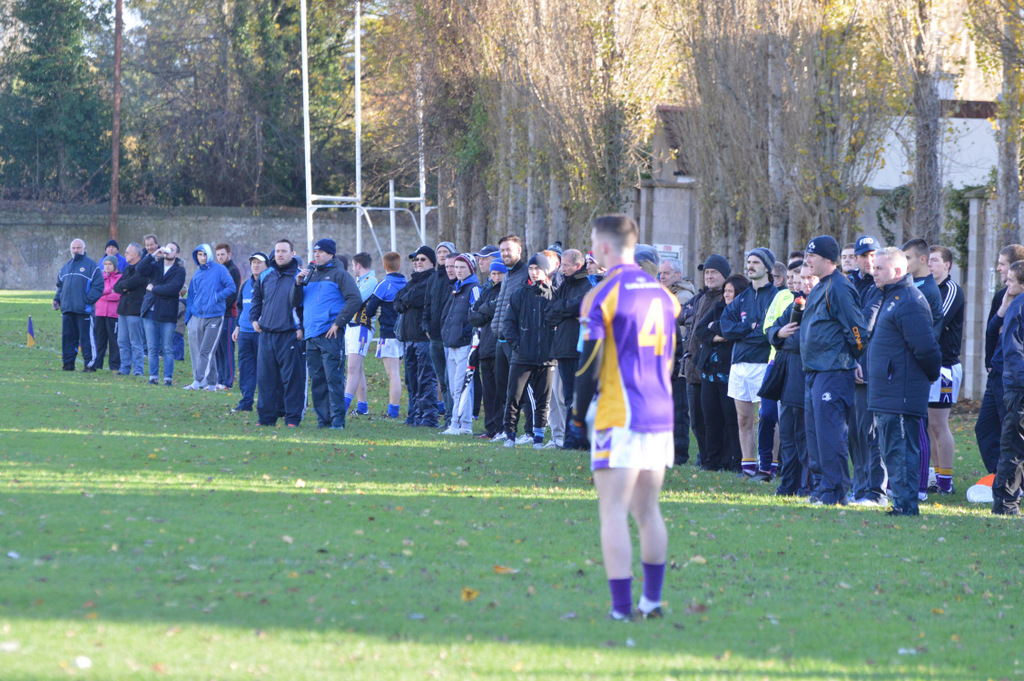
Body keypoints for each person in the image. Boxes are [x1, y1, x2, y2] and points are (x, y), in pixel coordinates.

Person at [572, 214, 680, 621]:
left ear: (603, 246)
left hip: (620, 410)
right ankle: (651, 601)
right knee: (648, 510)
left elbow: (589, 364)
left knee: (613, 509)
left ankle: (621, 609)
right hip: (660, 410)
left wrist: (579, 416)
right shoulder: (665, 295)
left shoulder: (602, 294)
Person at [868, 247, 941, 516]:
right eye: (873, 267)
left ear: (898, 271)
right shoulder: (891, 298)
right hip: (888, 392)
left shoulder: (909, 300)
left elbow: (927, 349)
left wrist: (927, 377)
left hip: (901, 393)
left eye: (879, 268)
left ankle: (906, 506)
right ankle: (901, 502)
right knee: (892, 452)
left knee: (901, 452)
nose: (873, 272)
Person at [800, 235, 866, 506]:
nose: (807, 260)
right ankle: (820, 488)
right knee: (815, 435)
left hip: (833, 372)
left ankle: (835, 492)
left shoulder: (839, 287)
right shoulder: (819, 286)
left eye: (812, 256)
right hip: (814, 372)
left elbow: (857, 331)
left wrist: (851, 357)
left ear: (829, 260)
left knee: (830, 434)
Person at [720, 248, 778, 477]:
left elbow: (767, 332)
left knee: (767, 419)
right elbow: (725, 326)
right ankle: (748, 466)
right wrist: (748, 328)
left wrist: (745, 332)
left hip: (763, 363)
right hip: (739, 364)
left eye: (756, 262)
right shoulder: (742, 296)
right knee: (743, 418)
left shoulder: (776, 295)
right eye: (749, 262)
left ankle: (770, 466)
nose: (750, 265)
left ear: (767, 268)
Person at [295, 238, 363, 429]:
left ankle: (337, 421)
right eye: (315, 252)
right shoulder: (310, 275)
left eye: (321, 252)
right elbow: (295, 302)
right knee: (317, 380)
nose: (316, 255)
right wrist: (298, 284)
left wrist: (338, 323)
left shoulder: (340, 275)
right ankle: (322, 420)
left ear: (331, 255)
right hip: (311, 335)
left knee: (333, 379)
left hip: (329, 335)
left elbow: (355, 299)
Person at [767, 261, 814, 496]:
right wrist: (778, 333)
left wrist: (786, 339)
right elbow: (773, 329)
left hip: (809, 380)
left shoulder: (824, 301)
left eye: (809, 277)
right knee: (787, 435)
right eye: (801, 278)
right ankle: (788, 484)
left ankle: (806, 486)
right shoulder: (798, 302)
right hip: (789, 379)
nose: (804, 283)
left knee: (805, 439)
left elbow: (805, 342)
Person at [976, 244, 1024, 473]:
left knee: (1012, 432)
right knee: (985, 428)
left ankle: (1013, 481)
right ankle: (999, 477)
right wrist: (988, 363)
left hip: (1013, 378)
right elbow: (991, 330)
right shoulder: (1002, 297)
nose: (998, 269)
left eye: (1002, 264)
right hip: (995, 372)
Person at [902, 238, 943, 501]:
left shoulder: (927, 290)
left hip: (916, 368)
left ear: (923, 260)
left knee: (918, 426)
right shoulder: (910, 285)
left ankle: (920, 486)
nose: (903, 263)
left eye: (907, 258)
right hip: (904, 367)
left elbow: (924, 337)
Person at [503, 252, 557, 449]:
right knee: (514, 397)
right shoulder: (519, 294)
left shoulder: (554, 294)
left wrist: (553, 347)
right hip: (522, 356)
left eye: (538, 269)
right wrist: (517, 345)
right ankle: (510, 435)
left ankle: (538, 438)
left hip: (547, 358)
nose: (534, 273)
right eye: (532, 269)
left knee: (543, 400)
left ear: (546, 271)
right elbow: (508, 323)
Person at [848, 235, 887, 506]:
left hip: (868, 367)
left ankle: (876, 491)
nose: (868, 260)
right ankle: (859, 487)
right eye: (864, 255)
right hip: (849, 366)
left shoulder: (878, 286)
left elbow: (864, 325)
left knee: (871, 432)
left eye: (873, 255)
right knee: (855, 432)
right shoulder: (851, 282)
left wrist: (855, 360)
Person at [251, 239, 305, 427]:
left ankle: (292, 419)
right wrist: (254, 319)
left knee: (291, 380)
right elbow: (256, 298)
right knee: (266, 379)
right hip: (266, 334)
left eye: (284, 251)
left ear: (292, 253)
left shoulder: (300, 276)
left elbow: (304, 306)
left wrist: (301, 328)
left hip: (288, 334)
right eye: (277, 251)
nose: (280, 254)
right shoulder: (266, 275)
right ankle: (266, 419)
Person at [682, 255, 730, 468]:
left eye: (714, 272)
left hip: (712, 368)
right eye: (706, 273)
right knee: (697, 422)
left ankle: (716, 459)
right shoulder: (701, 297)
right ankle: (704, 457)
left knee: (715, 420)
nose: (709, 276)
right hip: (692, 367)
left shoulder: (725, 299)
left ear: (724, 275)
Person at [695, 274, 746, 471]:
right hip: (709, 371)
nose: (726, 294)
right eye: (725, 291)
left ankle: (735, 461)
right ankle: (712, 461)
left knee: (732, 419)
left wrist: (717, 328)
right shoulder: (717, 308)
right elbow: (701, 330)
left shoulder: (744, 311)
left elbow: (735, 331)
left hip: (729, 372)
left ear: (739, 293)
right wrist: (718, 337)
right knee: (711, 418)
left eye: (730, 291)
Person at [926, 245, 964, 494]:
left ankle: (946, 483)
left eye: (936, 260)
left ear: (947, 265)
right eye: (928, 260)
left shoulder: (951, 290)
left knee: (940, 424)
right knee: (929, 424)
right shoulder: (927, 288)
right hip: (929, 364)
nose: (931, 264)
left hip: (946, 367)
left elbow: (934, 319)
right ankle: (936, 477)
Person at [546, 249, 592, 449]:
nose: (562, 269)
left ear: (577, 265)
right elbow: (549, 313)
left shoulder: (587, 284)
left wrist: (563, 309)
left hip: (580, 349)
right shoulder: (564, 285)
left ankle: (581, 441)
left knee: (579, 397)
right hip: (563, 348)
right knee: (567, 397)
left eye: (565, 265)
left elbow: (581, 306)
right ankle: (570, 441)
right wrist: (566, 310)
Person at [490, 235, 531, 444]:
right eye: (503, 250)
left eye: (509, 249)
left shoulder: (525, 274)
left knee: (522, 390)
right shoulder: (507, 275)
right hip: (500, 339)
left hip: (515, 340)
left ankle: (530, 431)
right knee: (503, 388)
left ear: (519, 251)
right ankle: (508, 430)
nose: (505, 253)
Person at [394, 246, 440, 428]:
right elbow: (398, 301)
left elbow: (414, 298)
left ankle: (428, 417)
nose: (418, 263)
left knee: (425, 380)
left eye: (422, 259)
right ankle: (414, 415)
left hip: (423, 339)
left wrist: (406, 300)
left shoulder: (432, 280)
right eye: (415, 260)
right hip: (409, 339)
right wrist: (406, 299)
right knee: (411, 380)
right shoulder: (412, 282)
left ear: (431, 263)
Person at [993, 260, 1024, 515]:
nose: (1006, 284)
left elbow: (1013, 350)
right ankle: (1005, 503)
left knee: (1013, 446)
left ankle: (1007, 502)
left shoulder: (1018, 306)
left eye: (1011, 281)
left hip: (1018, 386)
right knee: (1014, 446)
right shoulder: (1016, 305)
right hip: (1018, 386)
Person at [183, 244, 236, 391]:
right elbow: (192, 296)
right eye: (199, 255)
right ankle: (212, 384)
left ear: (209, 255)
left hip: (215, 316)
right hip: (198, 316)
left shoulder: (220, 269)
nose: (202, 257)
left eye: (204, 254)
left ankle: (198, 381)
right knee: (205, 352)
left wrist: (217, 297)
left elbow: (231, 287)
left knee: (206, 350)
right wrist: (190, 316)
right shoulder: (197, 274)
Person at [364, 251, 408, 419]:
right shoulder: (407, 284)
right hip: (403, 333)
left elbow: (369, 310)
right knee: (397, 371)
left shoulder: (384, 285)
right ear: (400, 265)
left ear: (384, 266)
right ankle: (395, 408)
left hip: (388, 333)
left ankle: (393, 410)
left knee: (393, 374)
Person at [442, 253, 482, 435]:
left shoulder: (473, 288)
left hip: (464, 344)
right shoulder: (457, 288)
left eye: (462, 267)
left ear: (470, 269)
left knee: (461, 386)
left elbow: (476, 314)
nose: (457, 271)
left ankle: (458, 424)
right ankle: (462, 423)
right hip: (452, 343)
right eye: (456, 267)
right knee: (454, 386)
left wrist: (468, 334)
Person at [138, 242, 186, 386]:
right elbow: (140, 269)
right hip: (150, 312)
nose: (168, 251)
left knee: (167, 348)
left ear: (176, 254)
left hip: (167, 313)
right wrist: (152, 255)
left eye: (172, 249)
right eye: (167, 248)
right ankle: (153, 377)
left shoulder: (179, 270)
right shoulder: (156, 265)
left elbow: (173, 288)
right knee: (152, 347)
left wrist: (154, 289)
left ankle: (168, 379)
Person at [469, 259, 506, 439]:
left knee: (500, 391)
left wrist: (484, 310)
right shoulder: (487, 291)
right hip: (485, 347)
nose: (496, 277)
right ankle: (490, 428)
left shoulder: (506, 291)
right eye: (494, 274)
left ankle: (501, 428)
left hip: (499, 347)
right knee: (488, 391)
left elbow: (499, 309)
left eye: (499, 273)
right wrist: (486, 310)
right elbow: (474, 316)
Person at [53, 239, 103, 371]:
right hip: (68, 310)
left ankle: (90, 364)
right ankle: (68, 364)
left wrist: (86, 300)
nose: (76, 250)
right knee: (68, 338)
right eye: (74, 248)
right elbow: (60, 287)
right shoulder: (66, 267)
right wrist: (57, 300)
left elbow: (98, 286)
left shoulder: (92, 266)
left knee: (87, 339)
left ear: (84, 248)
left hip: (84, 310)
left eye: (79, 248)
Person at [231, 252, 268, 413]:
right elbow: (240, 307)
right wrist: (238, 326)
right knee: (246, 368)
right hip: (245, 333)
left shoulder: (270, 283)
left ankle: (265, 403)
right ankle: (246, 402)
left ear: (266, 265)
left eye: (259, 263)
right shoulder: (246, 285)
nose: (256, 265)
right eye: (253, 263)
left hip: (262, 332)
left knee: (265, 369)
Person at [424, 242, 456, 425]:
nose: (442, 255)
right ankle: (448, 416)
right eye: (440, 252)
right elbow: (427, 304)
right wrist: (426, 325)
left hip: (450, 336)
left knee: (451, 378)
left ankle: (454, 416)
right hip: (434, 335)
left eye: (446, 252)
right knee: (442, 379)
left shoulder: (455, 279)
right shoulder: (433, 278)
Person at [344, 252, 378, 416]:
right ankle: (362, 407)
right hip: (352, 327)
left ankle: (342, 407)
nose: (352, 269)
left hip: (362, 327)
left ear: (358, 265)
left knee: (352, 368)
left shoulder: (371, 281)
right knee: (357, 369)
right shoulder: (359, 280)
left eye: (353, 266)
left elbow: (356, 299)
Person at [113, 243, 148, 376]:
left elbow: (130, 283)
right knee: (122, 340)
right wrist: (124, 287)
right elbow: (117, 287)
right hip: (123, 310)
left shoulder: (142, 270)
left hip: (135, 310)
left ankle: (138, 370)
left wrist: (125, 286)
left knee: (135, 342)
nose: (125, 254)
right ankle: (125, 368)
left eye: (128, 252)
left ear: (136, 255)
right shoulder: (127, 269)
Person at [214, 243, 242, 390]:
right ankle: (220, 379)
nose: (220, 257)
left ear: (229, 255)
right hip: (217, 315)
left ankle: (228, 381)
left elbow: (232, 294)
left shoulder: (233, 270)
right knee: (218, 349)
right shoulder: (219, 270)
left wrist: (218, 307)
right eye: (218, 255)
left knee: (227, 349)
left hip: (229, 315)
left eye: (222, 254)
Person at [93, 255, 123, 371]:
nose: (107, 266)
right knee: (100, 340)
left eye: (109, 264)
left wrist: (103, 295)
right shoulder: (99, 277)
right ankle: (97, 363)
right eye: (105, 264)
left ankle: (114, 365)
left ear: (115, 265)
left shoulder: (120, 278)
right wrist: (107, 292)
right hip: (100, 312)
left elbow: (118, 294)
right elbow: (97, 291)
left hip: (113, 314)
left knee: (114, 340)